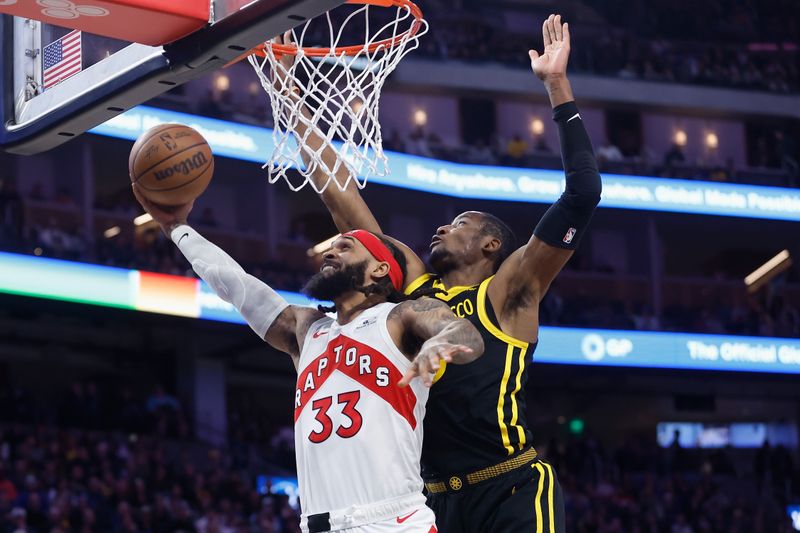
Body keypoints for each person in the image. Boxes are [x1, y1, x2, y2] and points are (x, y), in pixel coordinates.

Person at [276, 13, 600, 532]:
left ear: (491, 244)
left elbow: (583, 194)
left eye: (460, 223)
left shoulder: (509, 291)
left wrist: (558, 85)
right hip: (429, 501)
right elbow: (343, 198)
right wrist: (288, 95)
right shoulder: (413, 288)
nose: (441, 228)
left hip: (508, 485)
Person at [130, 186, 485, 532]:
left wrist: (442, 342)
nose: (330, 253)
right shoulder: (306, 330)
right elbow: (234, 284)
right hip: (317, 523)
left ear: (379, 269)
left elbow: (463, 332)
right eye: (330, 248)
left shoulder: (400, 316)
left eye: (345, 247)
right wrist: (177, 229)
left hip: (393, 520)